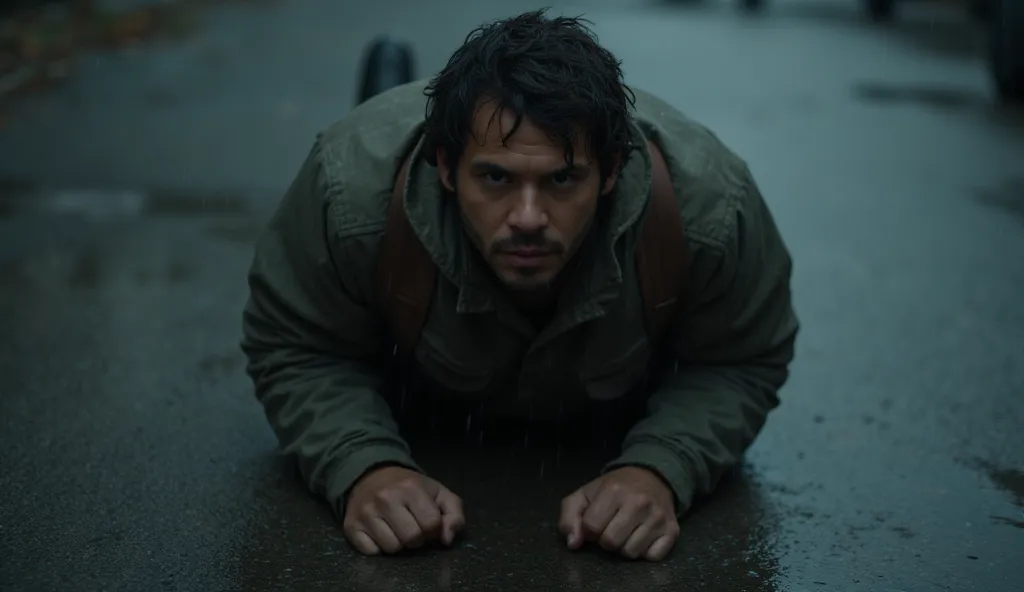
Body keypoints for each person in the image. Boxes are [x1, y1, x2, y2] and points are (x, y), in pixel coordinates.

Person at [241, 9, 798, 562]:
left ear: (609, 173)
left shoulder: (709, 210)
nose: (528, 217)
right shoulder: (348, 194)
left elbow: (739, 359)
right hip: (415, 373)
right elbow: (299, 346)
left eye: (562, 178)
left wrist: (661, 468)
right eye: (495, 177)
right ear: (444, 166)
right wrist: (363, 465)